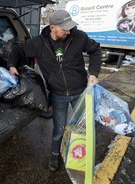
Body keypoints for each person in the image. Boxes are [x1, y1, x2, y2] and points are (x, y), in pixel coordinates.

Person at [7, 9, 102, 171]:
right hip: (58, 94)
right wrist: (11, 65)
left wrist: (93, 73)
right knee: (59, 129)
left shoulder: (79, 37)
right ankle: (54, 154)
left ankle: (83, 154)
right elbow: (18, 50)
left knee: (84, 125)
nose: (68, 31)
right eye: (64, 28)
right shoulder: (39, 43)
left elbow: (95, 50)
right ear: (52, 28)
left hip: (80, 91)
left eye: (70, 27)